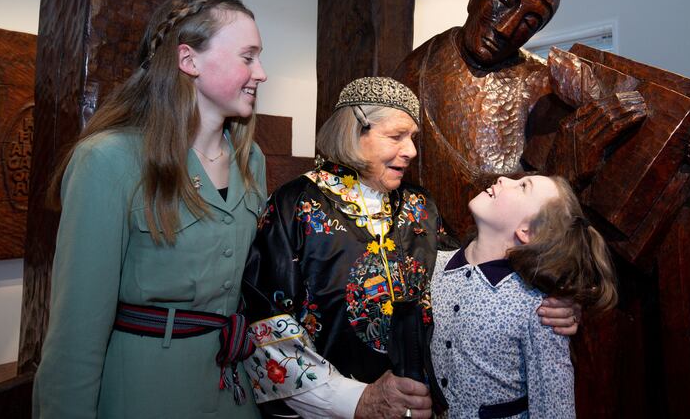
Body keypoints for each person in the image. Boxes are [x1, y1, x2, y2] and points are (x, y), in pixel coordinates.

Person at [241, 77, 579, 419]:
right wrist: (355, 400)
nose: (412, 151)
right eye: (396, 136)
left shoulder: (419, 205)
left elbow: (470, 279)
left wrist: (552, 302)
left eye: (413, 138)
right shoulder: (293, 206)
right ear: (354, 130)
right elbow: (266, 326)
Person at [392, 0, 690, 236]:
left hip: (516, 262)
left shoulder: (545, 82)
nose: (506, 28)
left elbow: (641, 131)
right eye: (504, 1)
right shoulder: (415, 70)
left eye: (530, 23)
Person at [33, 0, 267, 418]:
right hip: (145, 393)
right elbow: (76, 333)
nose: (262, 74)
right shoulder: (109, 160)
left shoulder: (251, 161)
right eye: (247, 58)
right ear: (189, 61)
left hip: (233, 389)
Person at [431, 175, 617, 418]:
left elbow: (554, 410)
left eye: (522, 186)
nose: (503, 178)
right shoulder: (432, 267)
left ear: (527, 231)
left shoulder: (539, 308)